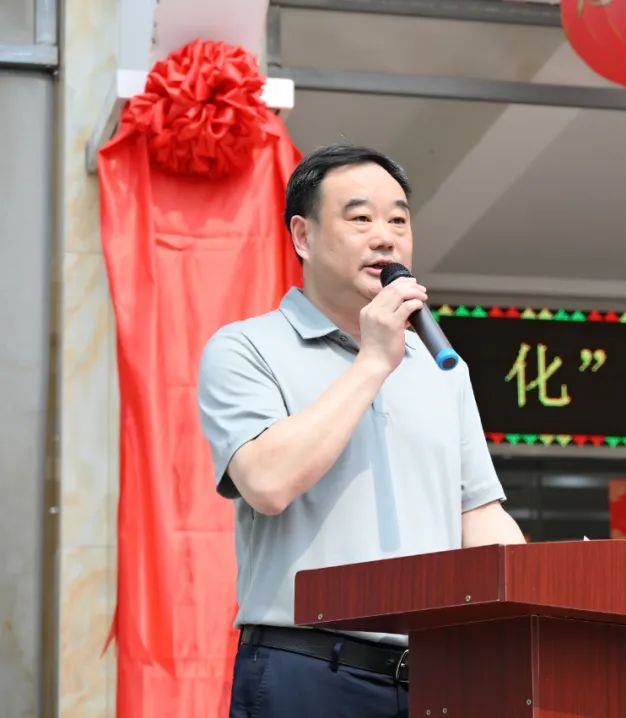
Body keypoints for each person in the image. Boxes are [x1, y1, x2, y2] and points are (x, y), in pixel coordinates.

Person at [197, 144, 526, 718]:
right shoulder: (246, 347)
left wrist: (541, 602)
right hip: (309, 670)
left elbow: (478, 513)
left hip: (439, 676)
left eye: (398, 221)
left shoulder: (440, 366)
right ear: (303, 236)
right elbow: (267, 484)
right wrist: (373, 360)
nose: (385, 238)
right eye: (361, 219)